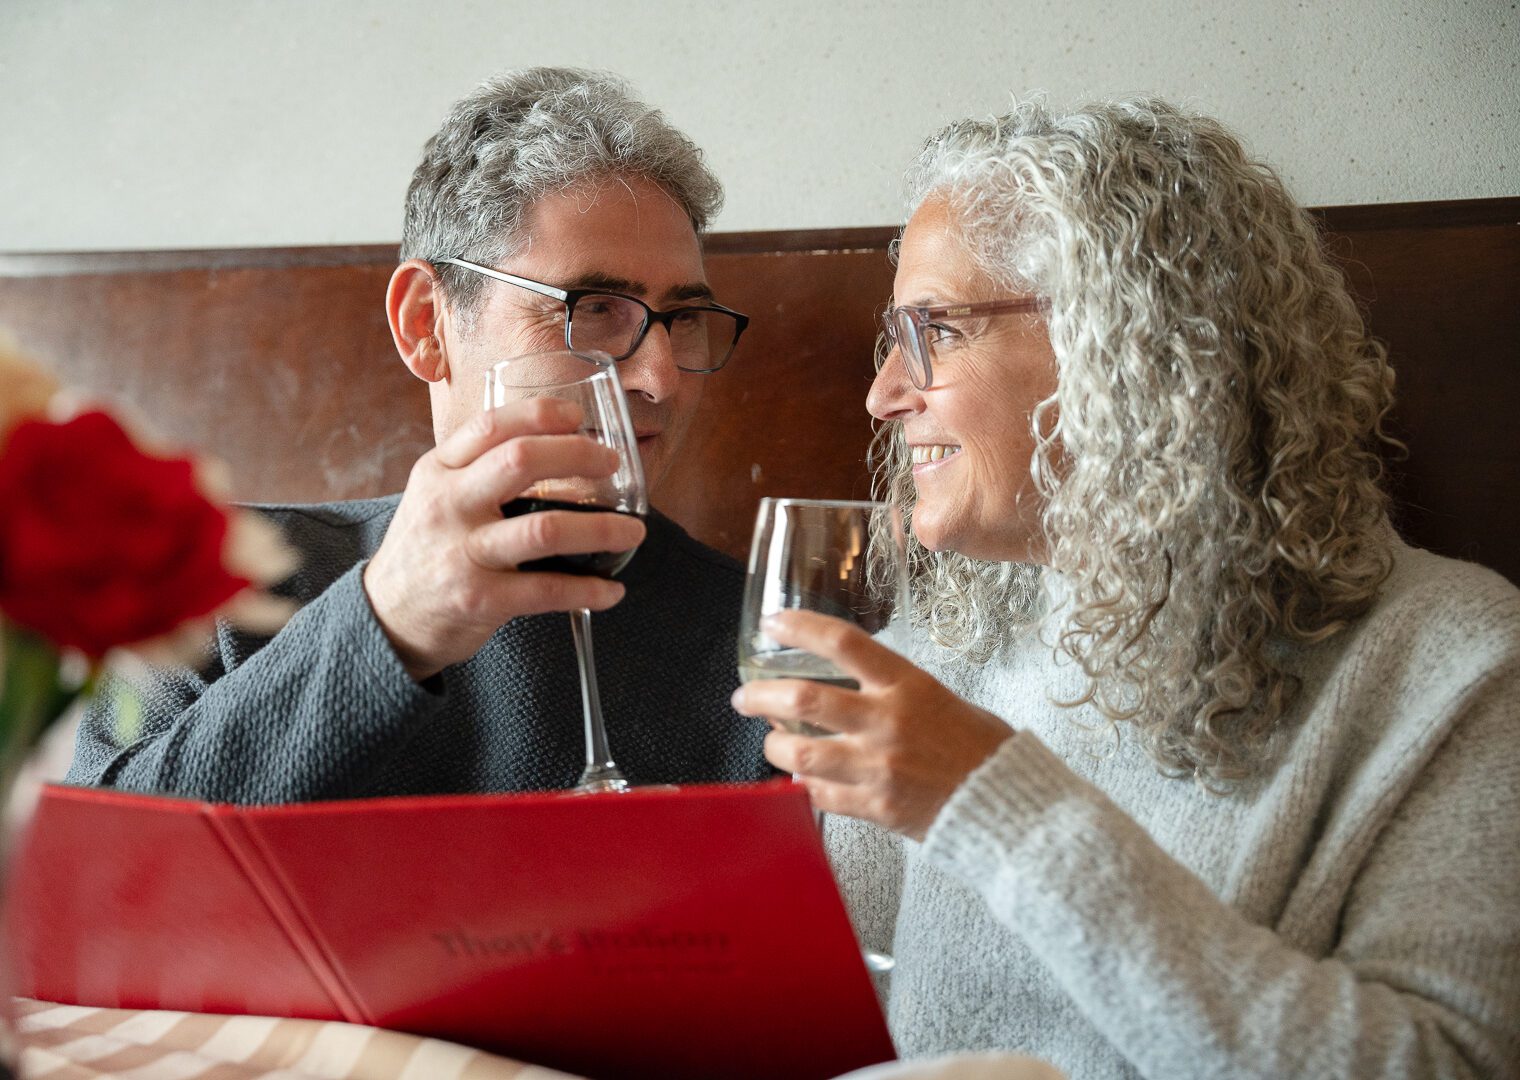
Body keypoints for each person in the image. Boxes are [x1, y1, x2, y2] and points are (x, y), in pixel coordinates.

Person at [735, 99, 1520, 1077]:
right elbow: (826, 1011)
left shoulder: (1450, 659)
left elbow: (1447, 1066)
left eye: (931, 328)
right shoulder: (935, 649)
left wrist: (992, 801)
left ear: (1123, 341)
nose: (882, 392)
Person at [68, 68, 772, 802]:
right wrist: (387, 626)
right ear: (425, 326)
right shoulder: (216, 585)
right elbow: (95, 875)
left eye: (683, 319)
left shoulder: (769, 638)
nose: (659, 377)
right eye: (594, 308)